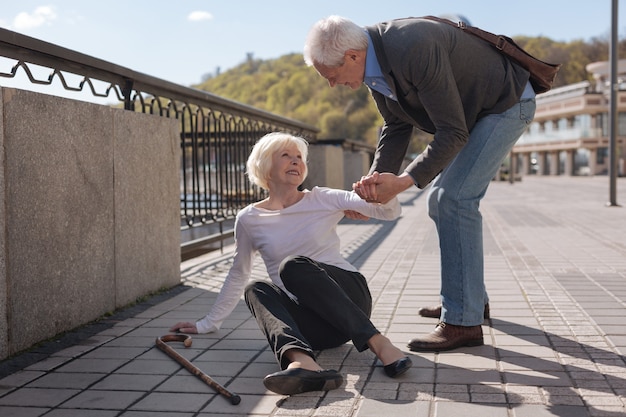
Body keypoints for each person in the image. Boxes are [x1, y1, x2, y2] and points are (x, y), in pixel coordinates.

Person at [304, 15, 536, 352]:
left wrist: (401, 183)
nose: (332, 84)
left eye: (332, 75)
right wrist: (372, 187)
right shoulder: (372, 60)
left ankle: (463, 322)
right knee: (448, 202)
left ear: (352, 57)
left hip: (505, 104)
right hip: (473, 113)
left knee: (451, 200)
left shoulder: (413, 46)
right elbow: (396, 125)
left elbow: (453, 132)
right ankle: (468, 301)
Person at [170, 132, 412, 396]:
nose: (295, 161)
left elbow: (387, 212)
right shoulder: (249, 218)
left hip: (349, 298)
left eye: (299, 157)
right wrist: (208, 323)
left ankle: (379, 343)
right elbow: (239, 272)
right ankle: (302, 363)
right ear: (265, 166)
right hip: (318, 328)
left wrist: (380, 191)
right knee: (255, 288)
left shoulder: (322, 198)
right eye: (285, 156)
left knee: (292, 266)